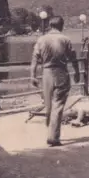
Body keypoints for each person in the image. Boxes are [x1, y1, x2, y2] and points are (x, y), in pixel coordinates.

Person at [30, 16, 81, 147]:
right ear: (61, 26)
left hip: (46, 73)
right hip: (60, 72)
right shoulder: (65, 39)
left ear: (50, 25)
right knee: (58, 105)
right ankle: (53, 137)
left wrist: (33, 76)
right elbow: (73, 58)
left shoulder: (41, 39)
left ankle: (50, 131)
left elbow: (35, 59)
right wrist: (76, 72)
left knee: (48, 104)